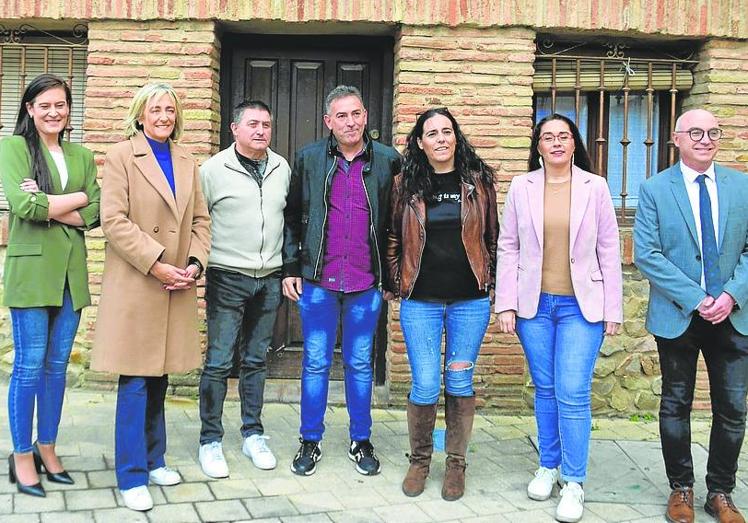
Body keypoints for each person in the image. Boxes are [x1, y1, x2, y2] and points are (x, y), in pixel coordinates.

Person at [495, 113, 622, 523]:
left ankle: (574, 481)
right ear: (537, 146)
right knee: (546, 389)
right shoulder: (521, 186)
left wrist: (613, 309)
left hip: (581, 307)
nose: (555, 143)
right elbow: (508, 246)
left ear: (573, 143)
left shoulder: (595, 186)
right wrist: (506, 303)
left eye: (562, 136)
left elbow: (609, 248)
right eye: (547, 137)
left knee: (572, 390)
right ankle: (548, 466)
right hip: (535, 305)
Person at [90, 82, 210, 511]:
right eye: (155, 109)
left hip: (176, 281)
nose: (163, 117)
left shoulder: (186, 159)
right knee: (136, 379)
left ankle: (154, 458)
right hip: (141, 280)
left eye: (170, 110)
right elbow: (114, 220)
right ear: (140, 114)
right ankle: (131, 474)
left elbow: (200, 219)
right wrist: (157, 261)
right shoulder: (122, 156)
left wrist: (194, 264)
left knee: (161, 378)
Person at [634, 108, 748, 523]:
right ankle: (680, 487)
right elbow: (647, 254)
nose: (706, 139)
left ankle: (721, 492)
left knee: (733, 408)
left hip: (733, 317)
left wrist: (731, 295)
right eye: (696, 132)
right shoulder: (653, 189)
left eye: (713, 132)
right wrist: (699, 298)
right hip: (680, 314)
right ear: (677, 139)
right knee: (675, 403)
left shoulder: (743, 185)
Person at [282, 85, 401, 477]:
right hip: (318, 281)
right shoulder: (310, 159)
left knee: (360, 364)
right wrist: (291, 267)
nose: (350, 122)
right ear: (328, 122)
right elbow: (293, 216)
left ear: (366, 116)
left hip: (366, 283)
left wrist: (392, 276)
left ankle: (360, 439)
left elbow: (396, 225)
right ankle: (310, 440)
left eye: (356, 114)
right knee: (315, 363)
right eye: (341, 116)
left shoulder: (387, 161)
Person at [385, 107, 498, 501]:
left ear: (456, 136)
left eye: (447, 131)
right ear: (420, 142)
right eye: (431, 133)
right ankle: (419, 461)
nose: (440, 139)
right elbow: (393, 237)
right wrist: (398, 280)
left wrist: (492, 281)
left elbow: (491, 237)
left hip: (470, 301)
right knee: (426, 383)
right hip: (422, 302)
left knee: (460, 381)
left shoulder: (479, 181)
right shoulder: (405, 184)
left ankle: (456, 464)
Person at [0, 73, 100, 498]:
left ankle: (48, 446)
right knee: (27, 366)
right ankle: (21, 454)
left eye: (60, 105)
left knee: (57, 368)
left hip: (70, 275)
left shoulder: (82, 155)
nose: (53, 112)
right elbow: (22, 204)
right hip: (31, 274)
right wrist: (72, 199)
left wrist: (58, 201)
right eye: (44, 105)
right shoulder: (13, 148)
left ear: (68, 109)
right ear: (30, 109)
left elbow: (96, 210)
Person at [197, 100, 291, 478]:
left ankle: (253, 433)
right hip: (226, 275)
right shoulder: (212, 170)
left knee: (256, 360)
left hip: (269, 277)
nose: (260, 131)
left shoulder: (282, 167)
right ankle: (210, 440)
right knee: (219, 361)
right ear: (234, 129)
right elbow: (198, 222)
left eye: (266, 125)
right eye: (252, 124)